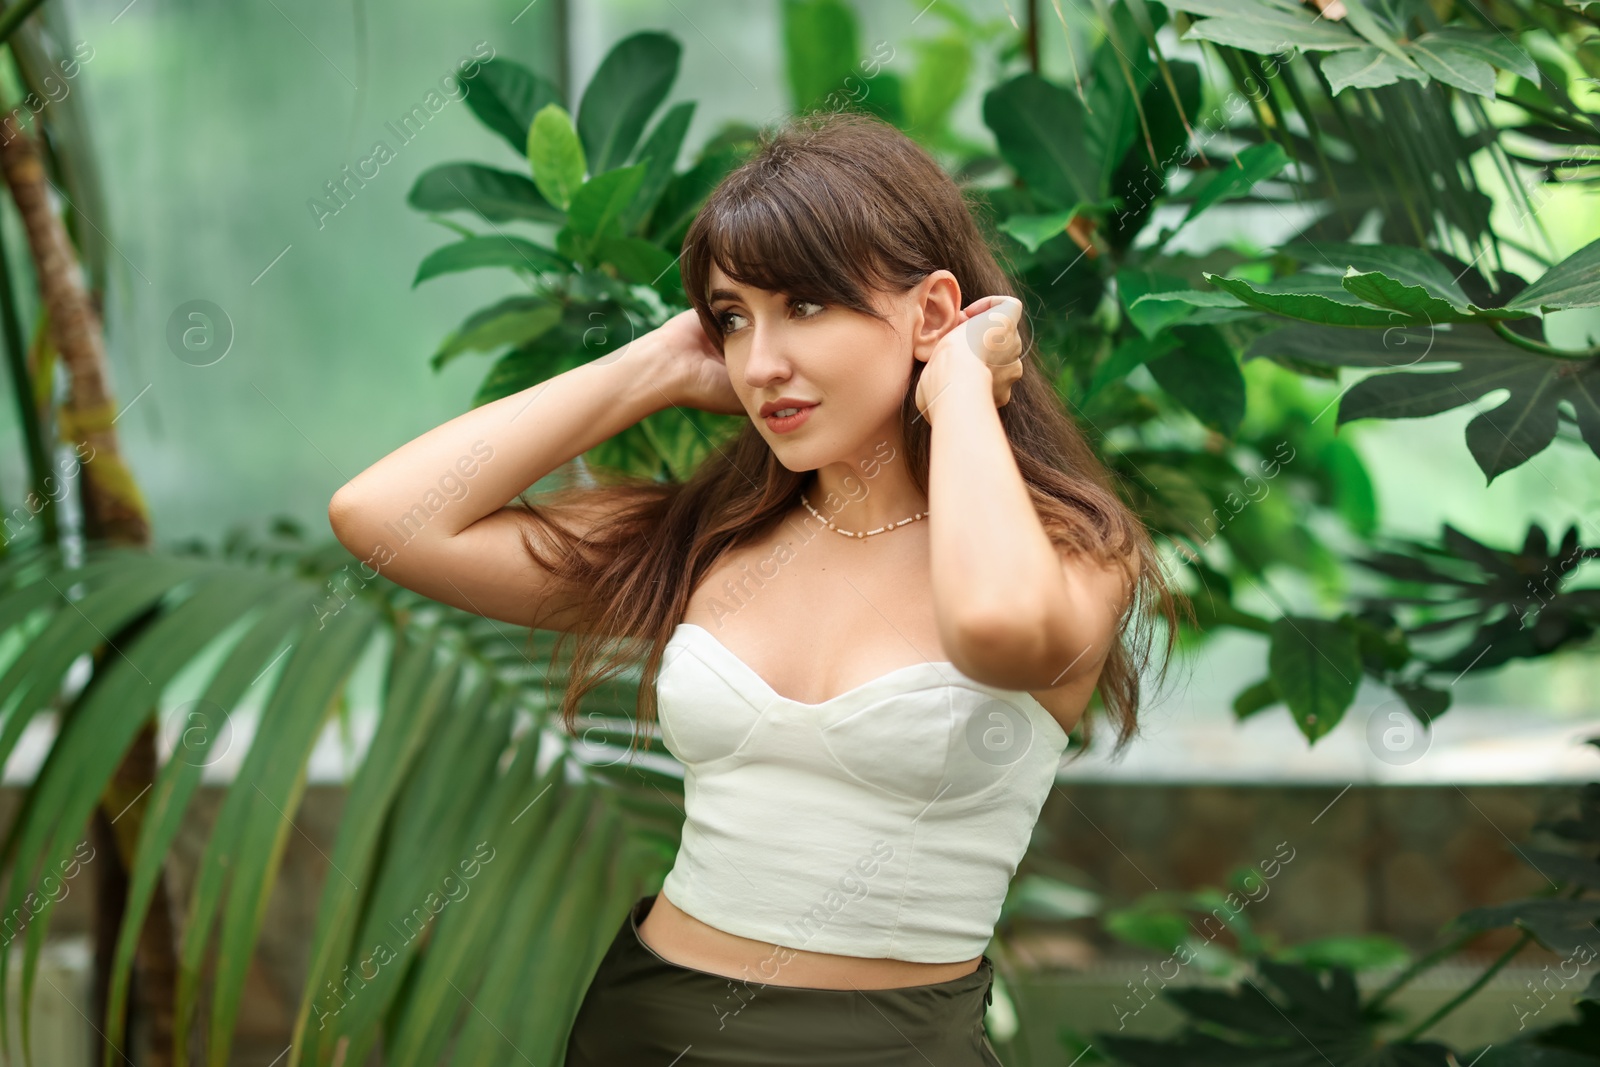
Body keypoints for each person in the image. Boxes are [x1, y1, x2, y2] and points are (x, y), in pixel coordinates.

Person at [330, 109, 1180, 1065]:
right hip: (647, 1029)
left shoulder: (1071, 551)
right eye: (732, 317)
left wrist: (959, 394)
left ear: (934, 313)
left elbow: (993, 626)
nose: (760, 362)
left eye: (804, 305)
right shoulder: (706, 539)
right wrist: (649, 364)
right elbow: (384, 517)